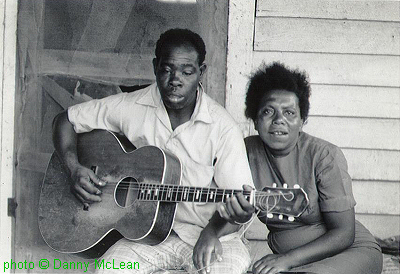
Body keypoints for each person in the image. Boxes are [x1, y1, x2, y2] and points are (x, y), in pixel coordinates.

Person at [52, 28, 254, 274]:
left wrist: (213, 231)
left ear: (201, 72)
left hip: (212, 236)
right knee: (109, 270)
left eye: (187, 72)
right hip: (147, 237)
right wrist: (74, 169)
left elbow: (241, 206)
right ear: (155, 67)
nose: (175, 80)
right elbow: (66, 120)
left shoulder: (223, 128)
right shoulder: (132, 106)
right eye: (167, 70)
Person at [220, 62, 383, 274]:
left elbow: (344, 233)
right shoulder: (243, 151)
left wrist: (287, 260)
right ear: (255, 118)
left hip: (349, 253)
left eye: (289, 113)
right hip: (293, 262)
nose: (279, 120)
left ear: (302, 120)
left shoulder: (324, 155)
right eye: (268, 111)